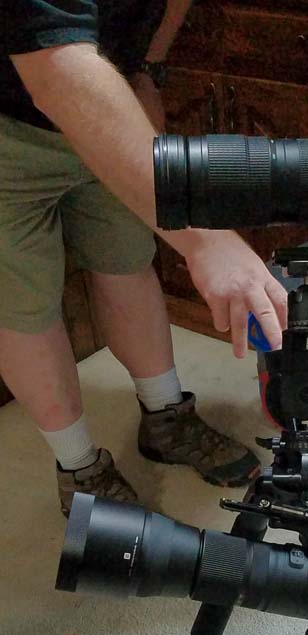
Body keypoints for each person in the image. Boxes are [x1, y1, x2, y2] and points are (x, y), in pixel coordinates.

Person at [0, 0, 287, 516]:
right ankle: (79, 466)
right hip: (10, 124)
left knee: (127, 260)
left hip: (109, 98)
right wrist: (204, 237)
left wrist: (144, 67)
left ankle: (165, 417)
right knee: (22, 306)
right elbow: (55, 69)